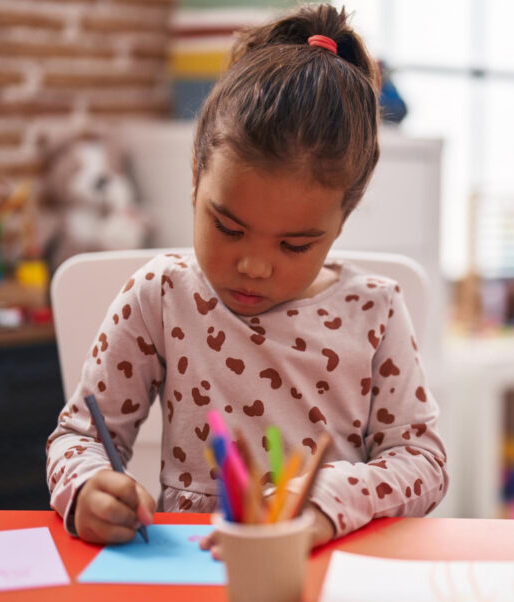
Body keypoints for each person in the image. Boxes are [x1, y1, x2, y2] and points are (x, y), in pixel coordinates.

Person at [45, 4, 447, 553]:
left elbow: (423, 461)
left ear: (342, 220)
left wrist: (325, 502)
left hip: (324, 569)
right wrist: (88, 486)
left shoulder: (374, 311)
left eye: (295, 244)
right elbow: (81, 436)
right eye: (228, 227)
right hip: (191, 577)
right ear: (196, 178)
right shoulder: (162, 295)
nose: (254, 265)